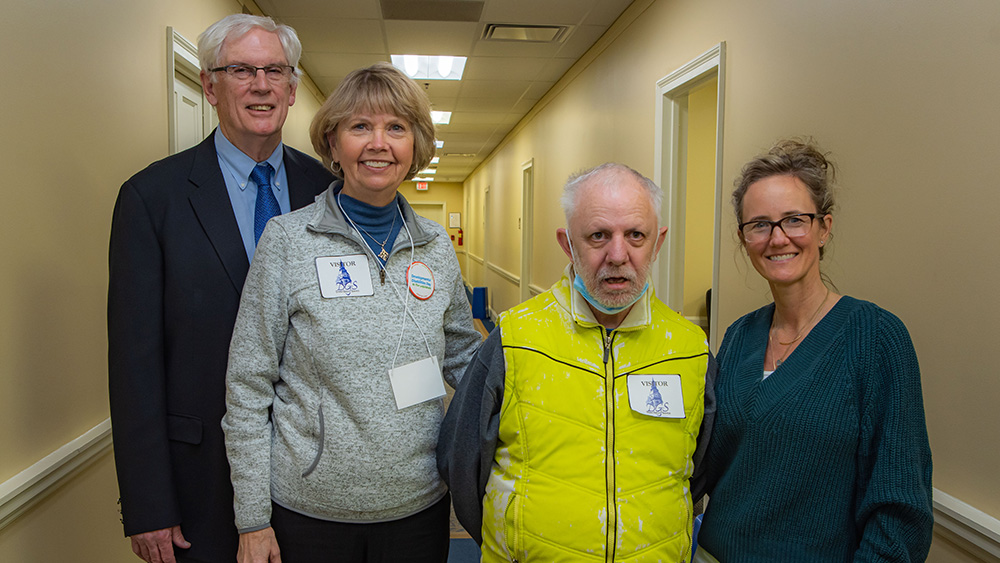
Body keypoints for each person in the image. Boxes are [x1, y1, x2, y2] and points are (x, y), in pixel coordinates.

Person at [222, 61, 482, 563]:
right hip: (310, 513)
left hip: (420, 507)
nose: (378, 143)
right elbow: (247, 385)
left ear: (416, 146)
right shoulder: (288, 241)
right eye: (360, 126)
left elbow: (464, 359)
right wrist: (252, 519)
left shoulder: (433, 246)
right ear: (334, 143)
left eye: (396, 128)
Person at [108, 14, 333, 563]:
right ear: (209, 86)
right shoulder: (150, 199)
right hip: (200, 484)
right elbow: (134, 366)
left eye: (275, 70)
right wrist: (148, 504)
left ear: (293, 87)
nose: (261, 85)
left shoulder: (328, 192)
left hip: (317, 475)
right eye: (241, 70)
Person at [438, 163, 717, 562]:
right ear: (568, 244)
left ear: (657, 243)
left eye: (636, 235)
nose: (618, 255)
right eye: (598, 235)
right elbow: (462, 461)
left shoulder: (691, 350)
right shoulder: (515, 339)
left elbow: (698, 472)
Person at [695, 139, 933, 562]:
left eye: (794, 220)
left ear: (824, 227)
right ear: (743, 237)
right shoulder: (737, 338)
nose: (778, 238)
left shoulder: (876, 339)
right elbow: (705, 467)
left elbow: (900, 513)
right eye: (760, 224)